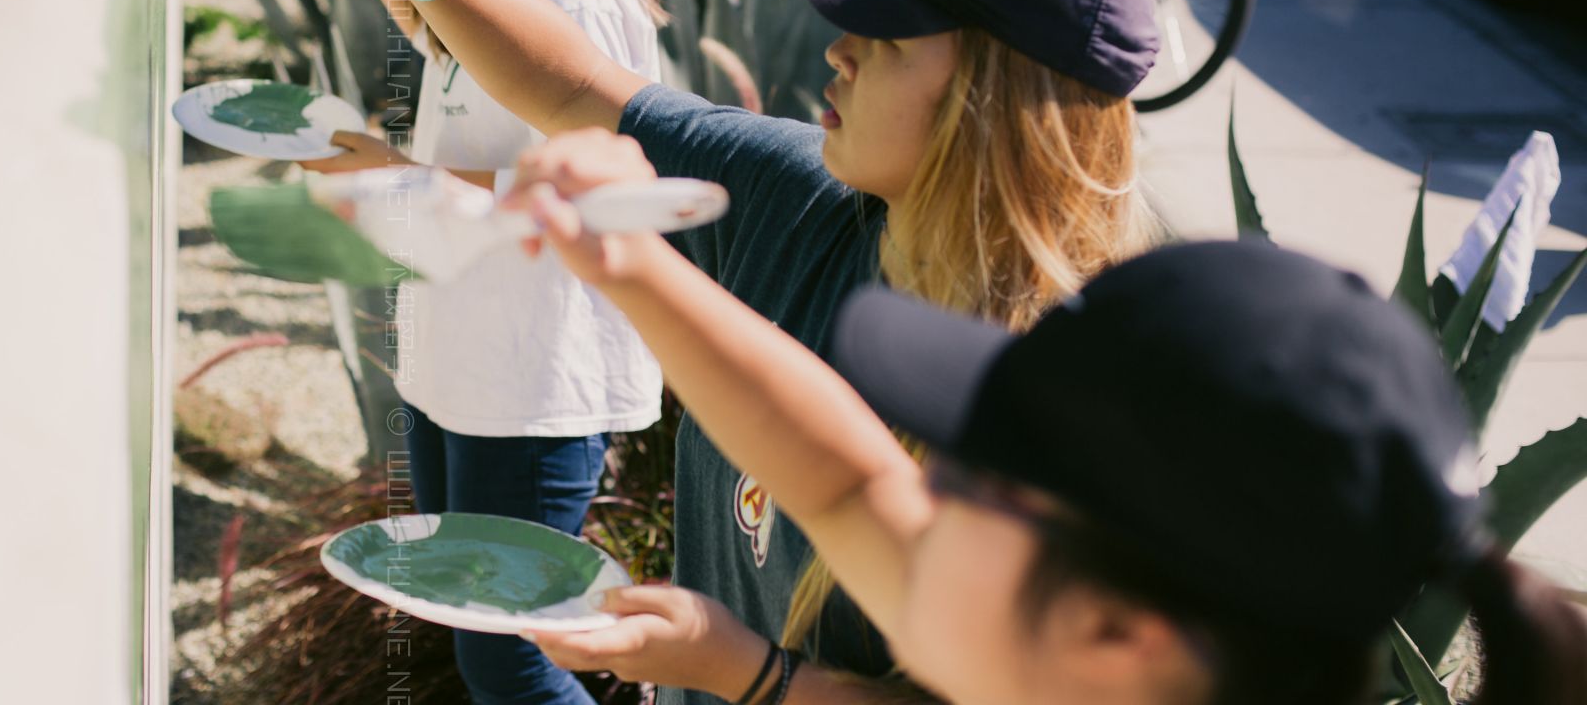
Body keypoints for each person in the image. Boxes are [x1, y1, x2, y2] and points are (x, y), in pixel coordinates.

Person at [318, 0, 1166, 700]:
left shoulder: (1053, 412)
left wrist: (750, 676)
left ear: (990, 105)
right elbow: (576, 85)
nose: (840, 48)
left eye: (892, 37)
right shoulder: (797, 191)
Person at [499, 180, 1587, 705]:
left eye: (967, 470)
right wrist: (625, 260)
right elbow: (837, 476)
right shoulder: (1078, 668)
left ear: (1119, 628)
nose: (911, 480)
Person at [293, 0, 662, 705]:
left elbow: (569, 181)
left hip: (532, 367)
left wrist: (376, 161)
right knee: (487, 643)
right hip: (476, 345)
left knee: (507, 652)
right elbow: (465, 65)